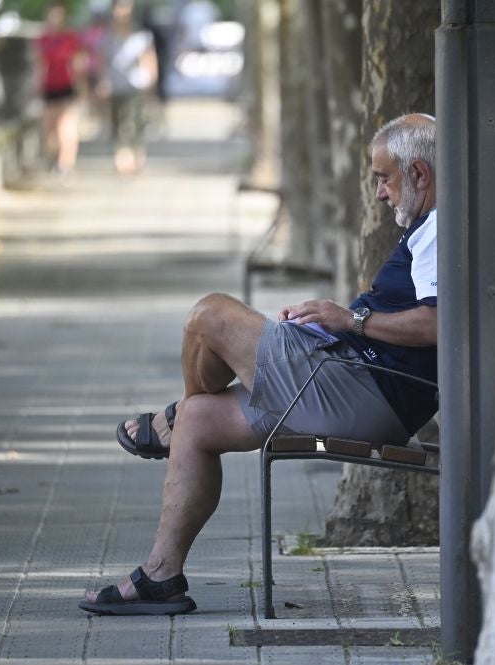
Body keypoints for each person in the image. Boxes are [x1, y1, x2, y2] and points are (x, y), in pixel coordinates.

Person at [79, 113, 439, 615]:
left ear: (419, 174)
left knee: (210, 315)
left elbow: (440, 324)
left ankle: (174, 415)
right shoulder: (431, 227)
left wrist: (351, 319)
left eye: (385, 177)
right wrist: (334, 322)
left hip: (363, 391)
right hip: (345, 380)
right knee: (202, 423)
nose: (380, 192)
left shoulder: (443, 229)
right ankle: (161, 576)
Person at [96, 0, 158, 175]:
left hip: (135, 86)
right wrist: (103, 82)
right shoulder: (107, 37)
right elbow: (103, 61)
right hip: (115, 86)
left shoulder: (141, 36)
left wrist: (151, 83)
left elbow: (149, 60)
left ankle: (135, 156)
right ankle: (121, 157)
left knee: (133, 123)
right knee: (117, 123)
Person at [37, 2, 84, 174]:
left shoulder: (70, 38)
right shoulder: (43, 40)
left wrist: (81, 87)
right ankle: (54, 159)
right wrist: (37, 86)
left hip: (67, 87)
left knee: (67, 127)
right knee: (49, 130)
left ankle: (66, 164)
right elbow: (38, 64)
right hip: (49, 87)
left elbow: (77, 64)